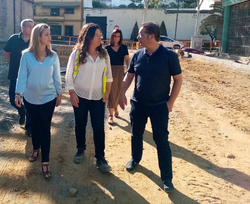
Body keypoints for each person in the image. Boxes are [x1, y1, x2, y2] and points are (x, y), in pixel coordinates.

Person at [118, 22, 182, 192]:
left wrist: (170, 103)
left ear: (151, 36)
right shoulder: (137, 55)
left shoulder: (169, 56)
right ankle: (135, 158)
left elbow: (178, 80)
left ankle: (167, 178)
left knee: (161, 141)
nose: (137, 37)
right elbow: (129, 76)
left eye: (140, 34)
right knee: (136, 134)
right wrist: (121, 93)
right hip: (138, 104)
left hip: (159, 106)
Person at [15, 23, 62, 179]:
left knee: (45, 128)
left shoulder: (53, 56)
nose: (50, 37)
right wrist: (18, 93)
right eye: (47, 34)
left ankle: (45, 162)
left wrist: (59, 92)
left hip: (48, 98)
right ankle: (35, 148)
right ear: (38, 37)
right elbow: (22, 76)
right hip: (31, 98)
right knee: (34, 126)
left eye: (49, 34)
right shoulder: (26, 55)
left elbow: (56, 77)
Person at [65, 23, 113, 173]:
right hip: (80, 95)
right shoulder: (77, 54)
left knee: (99, 127)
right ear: (89, 36)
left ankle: (100, 157)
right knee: (80, 124)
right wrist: (72, 93)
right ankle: (80, 149)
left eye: (101, 35)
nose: (101, 38)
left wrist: (106, 94)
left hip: (98, 97)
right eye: (98, 35)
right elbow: (68, 74)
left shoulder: (104, 55)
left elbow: (109, 76)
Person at [3, 19, 34, 137]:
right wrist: (15, 61)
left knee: (30, 101)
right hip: (15, 74)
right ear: (23, 28)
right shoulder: (14, 39)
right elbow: (5, 52)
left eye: (33, 26)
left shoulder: (34, 40)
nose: (31, 28)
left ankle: (29, 128)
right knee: (12, 98)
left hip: (30, 76)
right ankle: (22, 112)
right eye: (29, 26)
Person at [105, 29, 130, 125]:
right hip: (109, 71)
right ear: (112, 37)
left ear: (121, 37)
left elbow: (127, 59)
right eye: (115, 36)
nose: (116, 38)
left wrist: (128, 69)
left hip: (120, 71)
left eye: (118, 36)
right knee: (110, 92)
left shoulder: (124, 48)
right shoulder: (107, 48)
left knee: (118, 91)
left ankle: (116, 107)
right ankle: (111, 115)